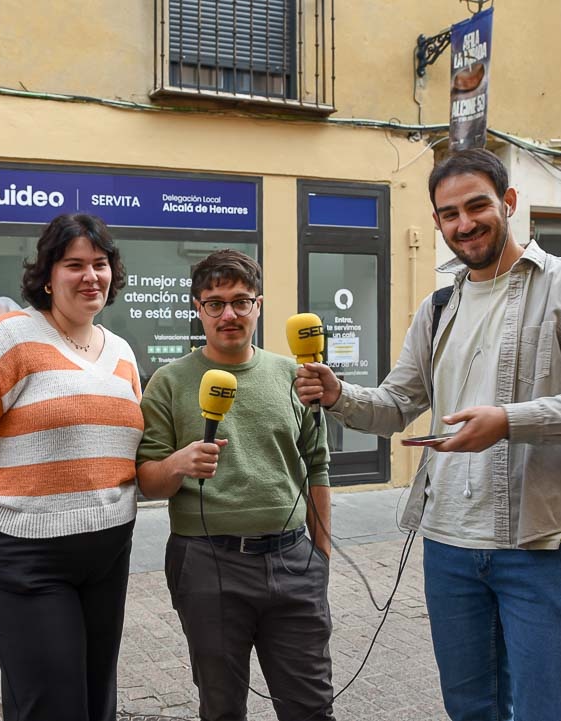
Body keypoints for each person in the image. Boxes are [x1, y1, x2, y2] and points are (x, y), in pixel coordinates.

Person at [296, 148, 561, 721]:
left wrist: (511, 421)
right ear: (436, 222)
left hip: (547, 548)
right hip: (450, 548)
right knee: (471, 711)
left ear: (509, 202)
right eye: (448, 214)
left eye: (476, 206)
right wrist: (340, 394)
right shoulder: (437, 306)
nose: (463, 224)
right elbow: (395, 406)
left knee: (554, 712)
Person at [0, 213, 143, 721]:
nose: (90, 275)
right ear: (48, 275)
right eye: (74, 264)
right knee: (52, 705)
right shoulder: (11, 338)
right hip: (21, 557)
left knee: (95, 701)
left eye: (100, 264)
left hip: (108, 553)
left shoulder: (121, 353)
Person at [136, 249, 334, 721]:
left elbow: (317, 467)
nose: (229, 314)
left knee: (311, 706)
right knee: (222, 707)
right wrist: (180, 464)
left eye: (241, 301)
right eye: (215, 303)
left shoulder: (295, 377)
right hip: (207, 563)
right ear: (197, 309)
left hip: (293, 561)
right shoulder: (168, 382)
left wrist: (320, 557)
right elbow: (147, 482)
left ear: (259, 306)